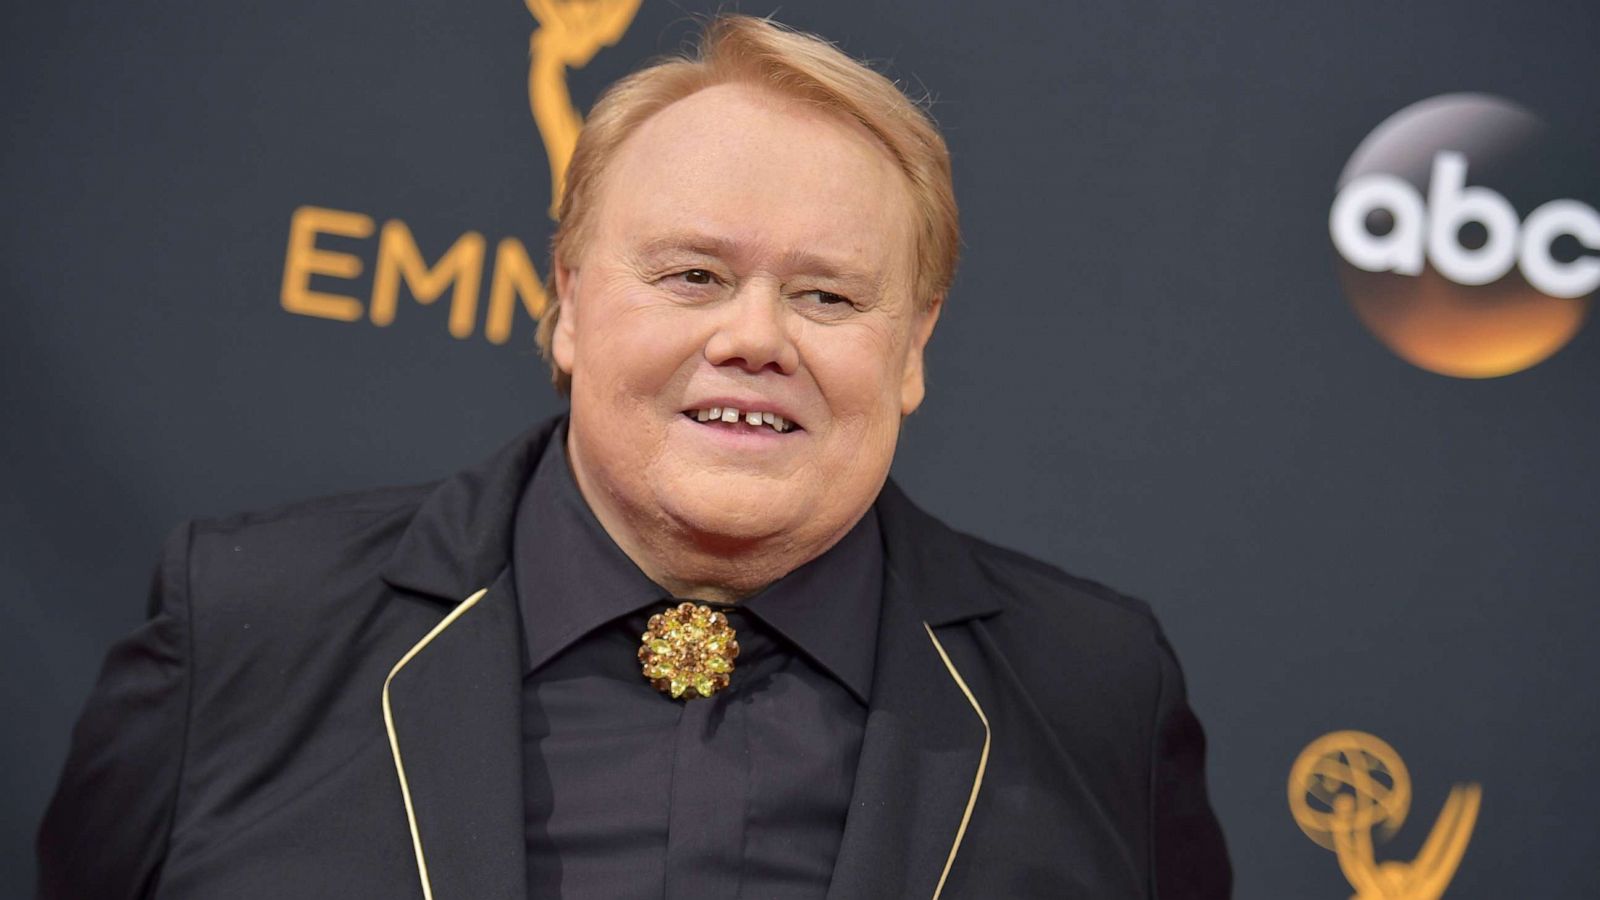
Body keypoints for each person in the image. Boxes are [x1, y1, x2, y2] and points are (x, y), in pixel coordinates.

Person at [38, 15, 1231, 900]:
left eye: (827, 295)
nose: (753, 338)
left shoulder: (1095, 691)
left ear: (913, 346)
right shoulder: (253, 624)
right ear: (564, 303)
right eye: (692, 276)